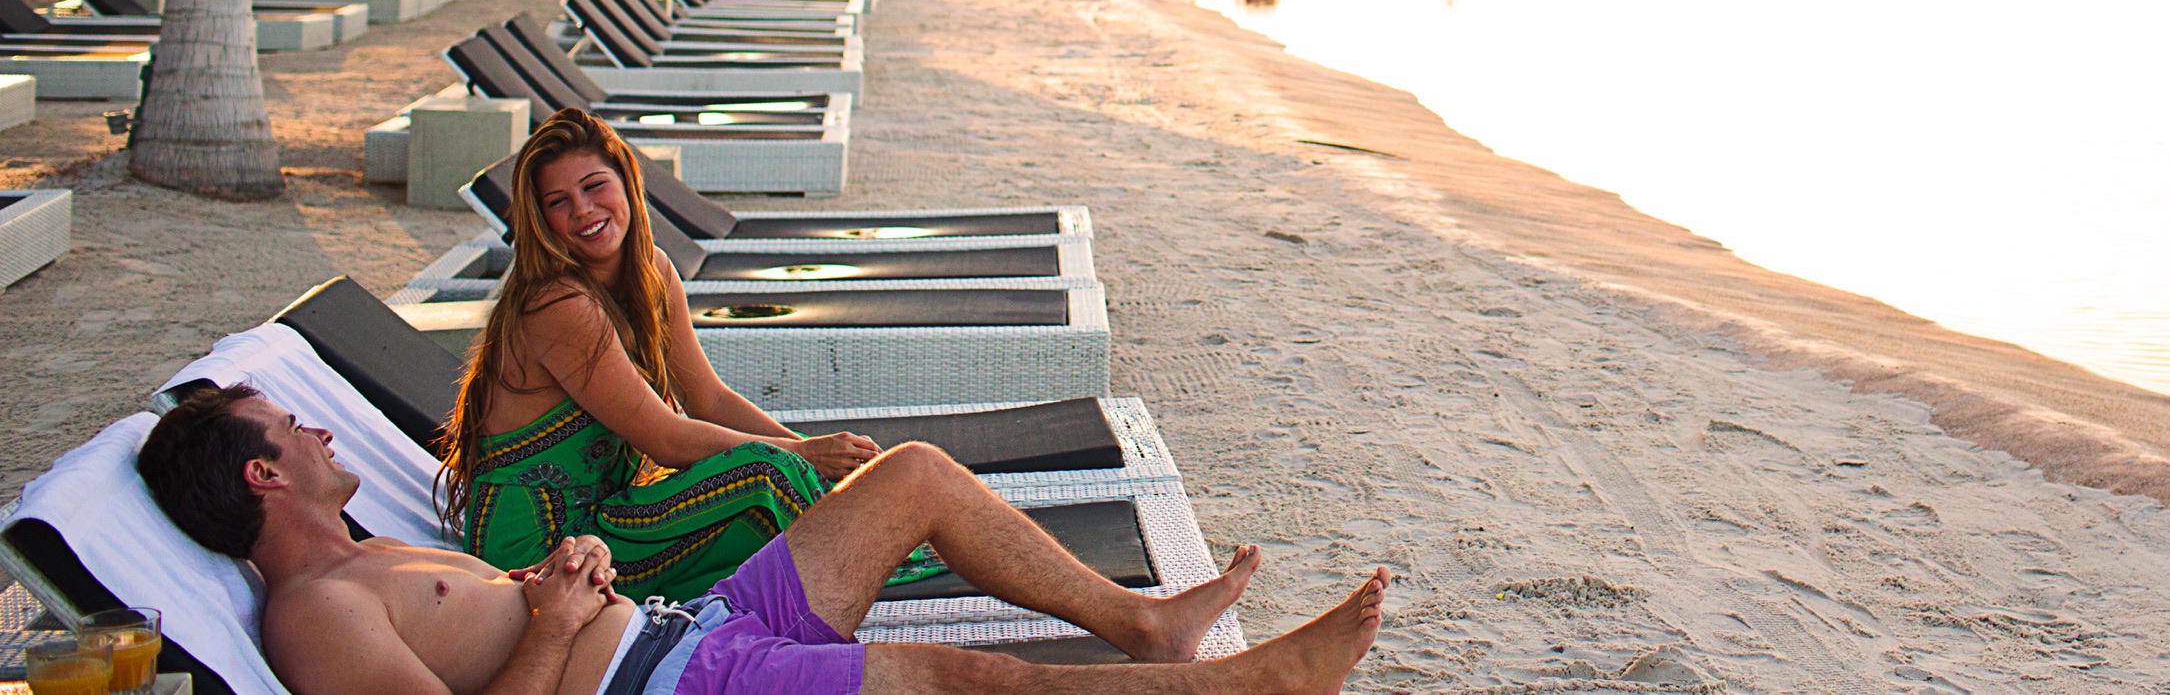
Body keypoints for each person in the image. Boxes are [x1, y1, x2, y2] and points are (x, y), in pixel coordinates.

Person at [135, 386, 1387, 694]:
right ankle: (1254, 684)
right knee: (958, 676)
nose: (313, 424)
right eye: (287, 424)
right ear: (261, 473)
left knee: (913, 477)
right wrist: (563, 622)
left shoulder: (362, 556)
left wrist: (556, 577)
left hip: (689, 629)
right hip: (675, 678)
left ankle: (1146, 622)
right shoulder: (315, 611)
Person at [438, 108, 887, 601]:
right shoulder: (556, 304)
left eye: (594, 186)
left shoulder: (653, 271)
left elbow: (709, 399)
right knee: (765, 475)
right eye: (559, 202)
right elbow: (667, 439)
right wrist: (803, 454)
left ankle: (864, 554)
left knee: (782, 470)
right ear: (541, 221)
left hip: (604, 521)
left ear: (628, 183)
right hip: (537, 551)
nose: (584, 210)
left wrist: (818, 452)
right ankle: (872, 560)